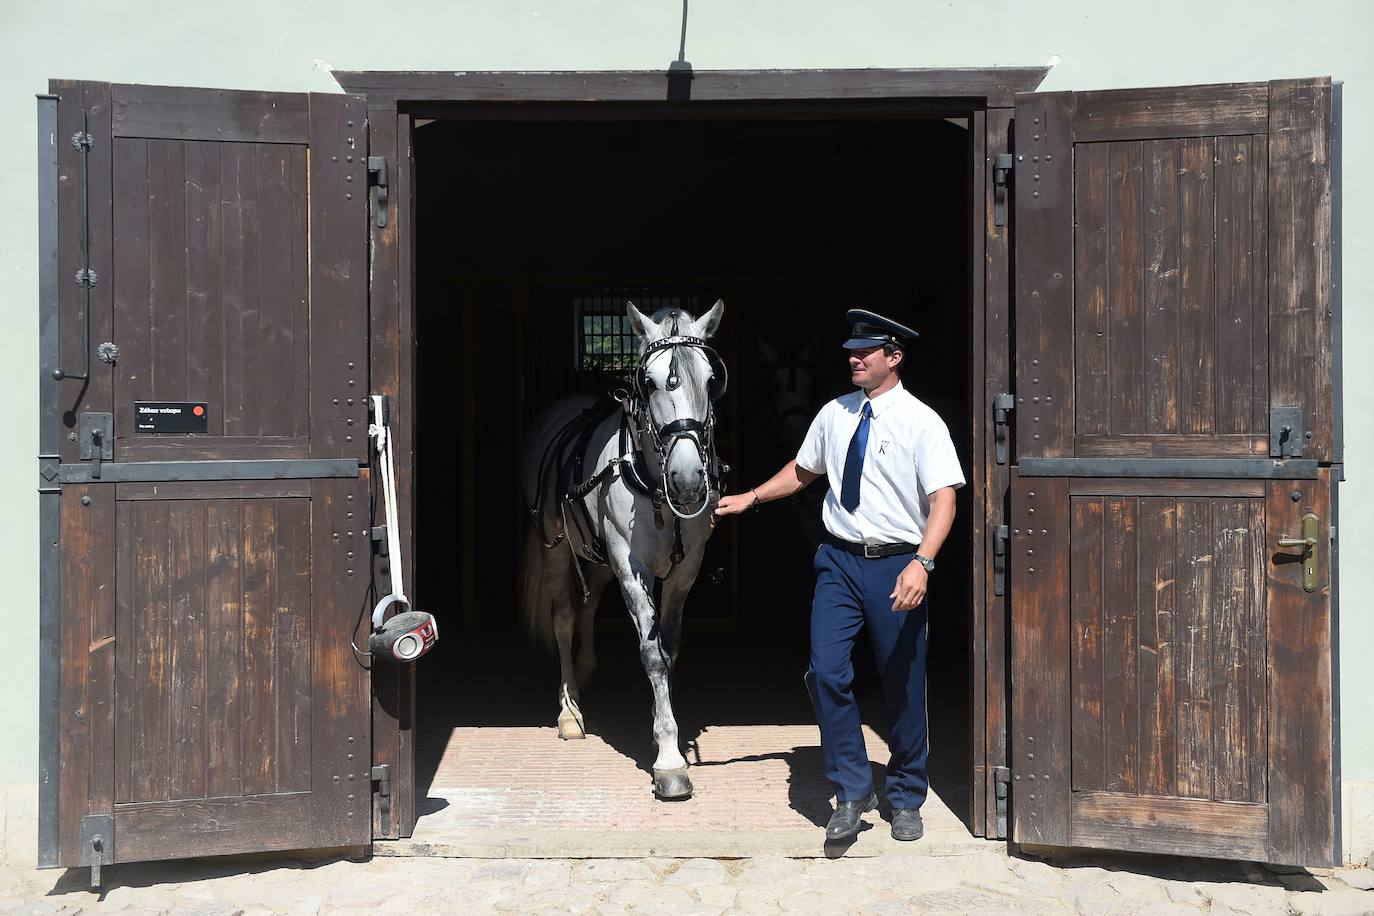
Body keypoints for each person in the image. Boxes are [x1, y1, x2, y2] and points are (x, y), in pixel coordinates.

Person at [714, 309, 964, 842]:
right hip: (839, 561)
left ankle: (904, 795)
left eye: (866, 351)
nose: (854, 357)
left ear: (893, 358)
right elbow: (805, 471)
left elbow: (944, 500)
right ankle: (852, 789)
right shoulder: (834, 413)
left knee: (903, 684)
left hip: (899, 563)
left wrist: (923, 561)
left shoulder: (923, 422)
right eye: (851, 350)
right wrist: (751, 497)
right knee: (825, 672)